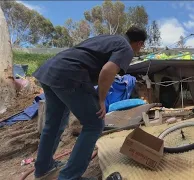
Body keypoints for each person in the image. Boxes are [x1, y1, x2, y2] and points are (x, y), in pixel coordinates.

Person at [33, 26, 147, 180]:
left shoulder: (108, 38)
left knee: (54, 123)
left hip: (50, 70)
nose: (139, 51)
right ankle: (70, 176)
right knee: (95, 124)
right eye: (140, 47)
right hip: (71, 74)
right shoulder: (126, 48)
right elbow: (107, 71)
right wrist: (100, 99)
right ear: (139, 43)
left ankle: (43, 168)